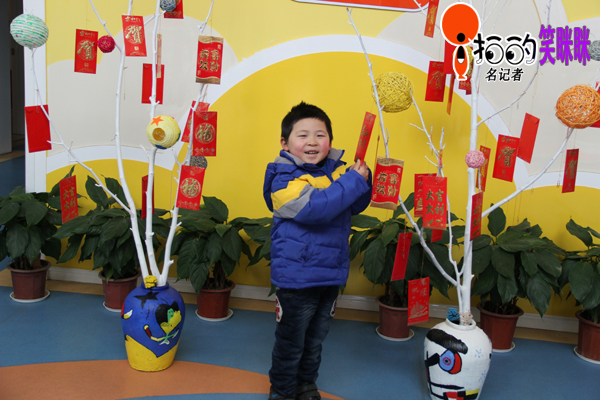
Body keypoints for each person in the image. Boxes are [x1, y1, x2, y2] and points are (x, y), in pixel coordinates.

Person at [263, 102, 372, 400]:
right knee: (291, 341)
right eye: (303, 135)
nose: (312, 141)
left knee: (315, 341)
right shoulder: (282, 179)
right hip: (297, 278)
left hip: (330, 274)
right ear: (285, 143)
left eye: (320, 135)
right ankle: (282, 391)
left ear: (330, 142)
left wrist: (363, 178)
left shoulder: (335, 174)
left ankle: (306, 385)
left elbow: (354, 204)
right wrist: (352, 181)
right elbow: (315, 208)